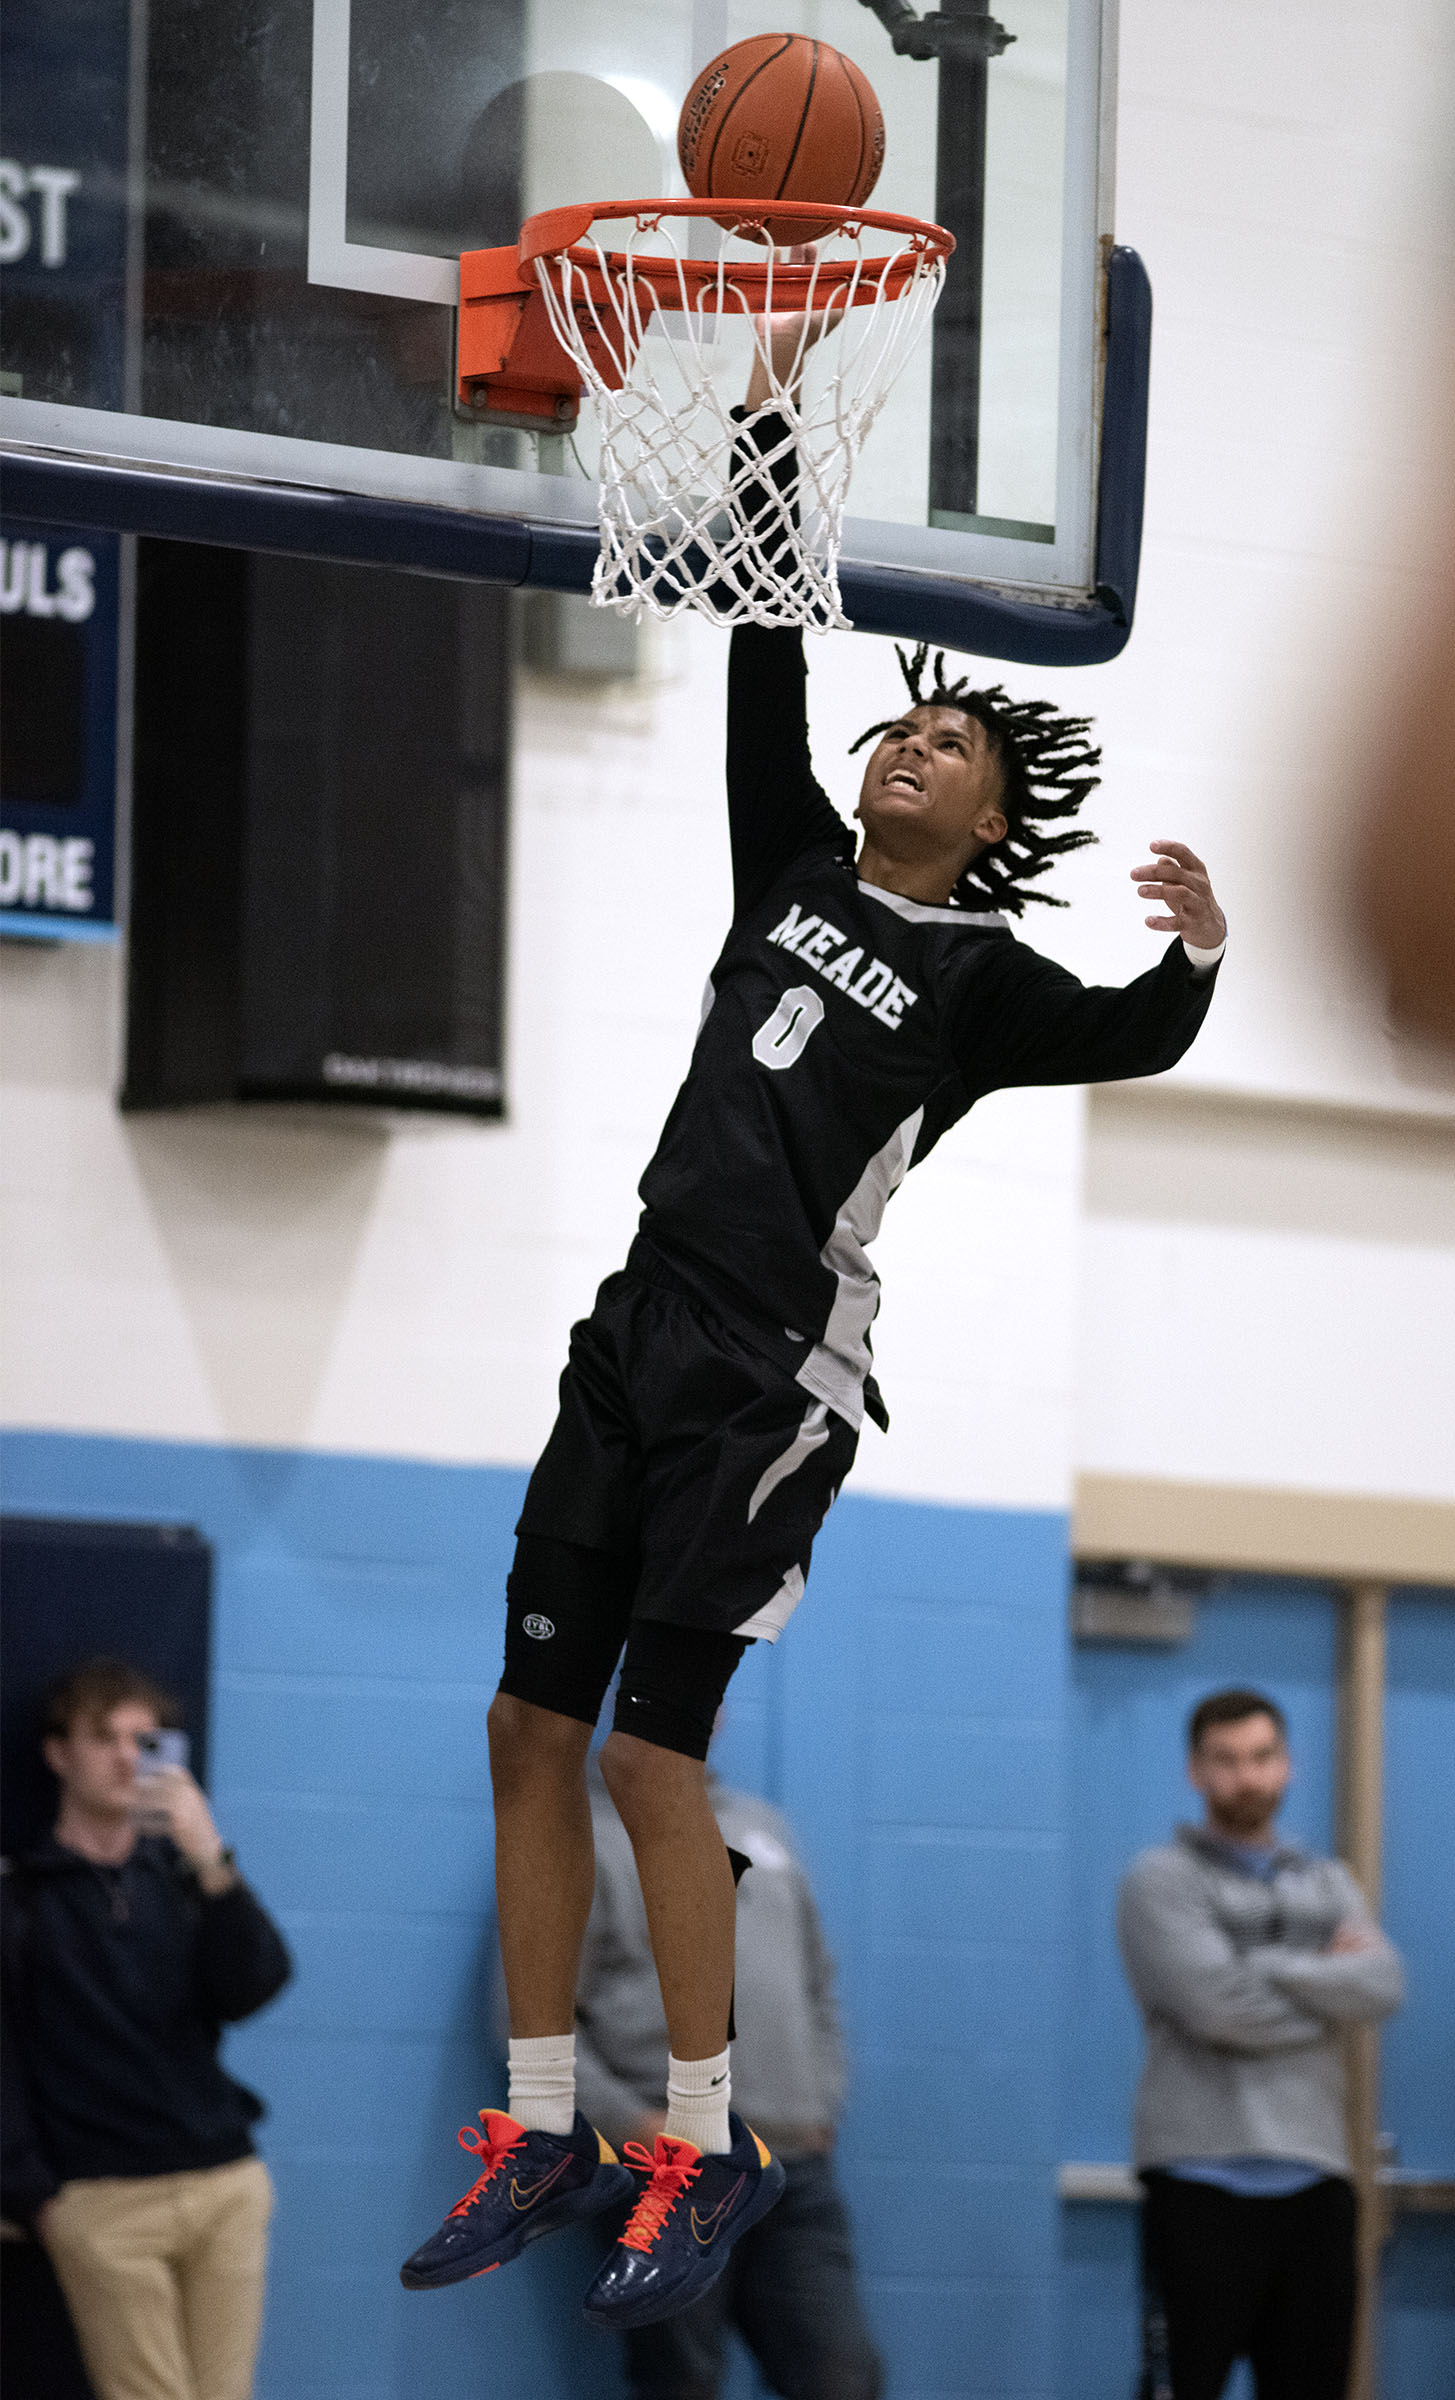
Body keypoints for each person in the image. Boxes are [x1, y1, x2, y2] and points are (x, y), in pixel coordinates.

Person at [400, 312, 1229, 2331]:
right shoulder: (783, 858)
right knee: (523, 1729)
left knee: (647, 1767)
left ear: (991, 810)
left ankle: (701, 2139)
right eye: (903, 731)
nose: (907, 744)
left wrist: (1194, 945)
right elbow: (761, 652)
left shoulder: (979, 981)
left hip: (772, 1372)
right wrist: (771, 430)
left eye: (948, 743)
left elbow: (1136, 1030)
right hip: (633, 1323)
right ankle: (534, 2128)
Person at [1, 1658, 293, 2400]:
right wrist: (37, 2196)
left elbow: (254, 1987)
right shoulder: (23, 1897)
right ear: (58, 1753)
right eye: (105, 1737)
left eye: (147, 1739)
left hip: (224, 2180)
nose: (128, 1756)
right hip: (101, 2199)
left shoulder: (185, 1880)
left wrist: (211, 1859)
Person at [1117, 1687, 1404, 2400]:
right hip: (1198, 2182)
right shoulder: (1160, 1880)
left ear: (1287, 1765)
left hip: (1315, 2182)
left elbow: (1381, 1985)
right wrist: (1322, 1990)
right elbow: (1217, 2010)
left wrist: (1267, 1969)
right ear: (1195, 1770)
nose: (1247, 1776)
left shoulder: (1327, 1880)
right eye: (1227, 1760)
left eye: (1262, 1757)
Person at [571, 1762, 881, 2399]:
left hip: (794, 2166)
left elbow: (817, 1981)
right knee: (682, 2383)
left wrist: (822, 2098)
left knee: (842, 2376)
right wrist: (634, 2125)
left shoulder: (764, 1827)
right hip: (669, 2171)